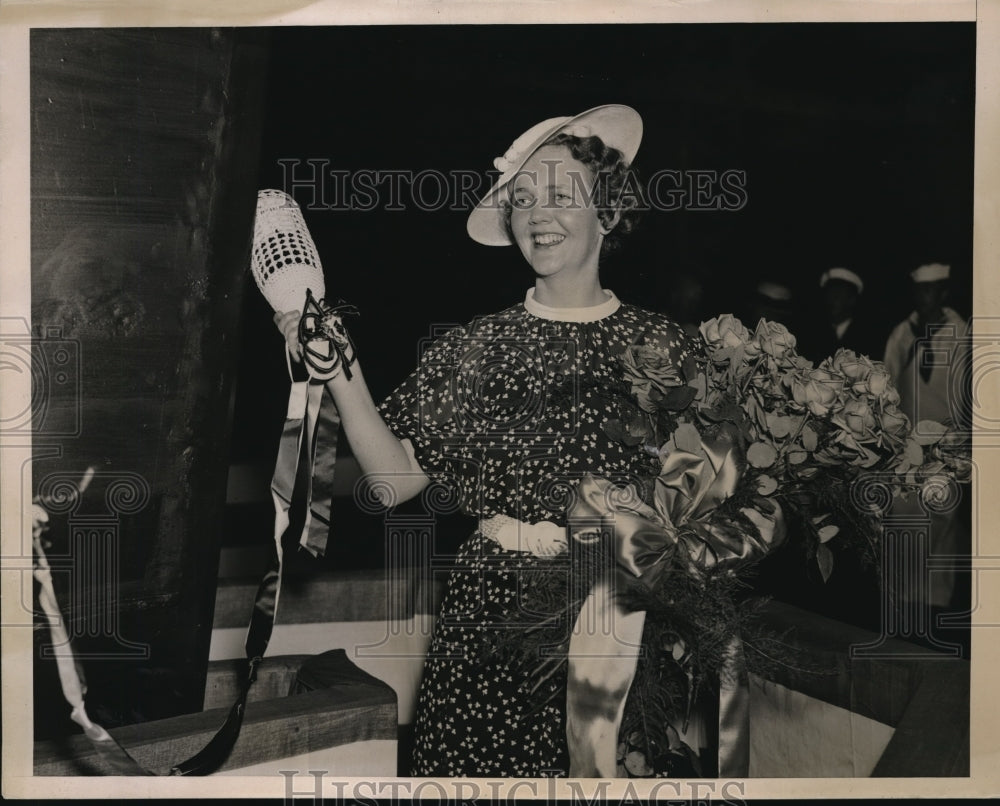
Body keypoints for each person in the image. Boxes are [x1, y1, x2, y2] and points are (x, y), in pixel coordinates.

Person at [274, 105, 697, 777]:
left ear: (609, 210)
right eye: (522, 199)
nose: (537, 213)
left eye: (561, 194)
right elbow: (392, 485)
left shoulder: (668, 347)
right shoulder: (475, 347)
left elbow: (703, 502)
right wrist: (344, 373)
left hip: (619, 617)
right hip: (487, 616)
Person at [883, 262, 969, 426]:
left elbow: (965, 388)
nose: (921, 296)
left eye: (928, 290)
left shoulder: (960, 333)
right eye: (918, 290)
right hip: (907, 429)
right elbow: (889, 379)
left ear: (943, 294)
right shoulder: (901, 333)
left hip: (947, 430)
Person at [797, 267, 885, 364]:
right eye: (830, 294)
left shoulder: (869, 335)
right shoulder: (811, 330)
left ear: (852, 300)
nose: (832, 301)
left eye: (838, 296)